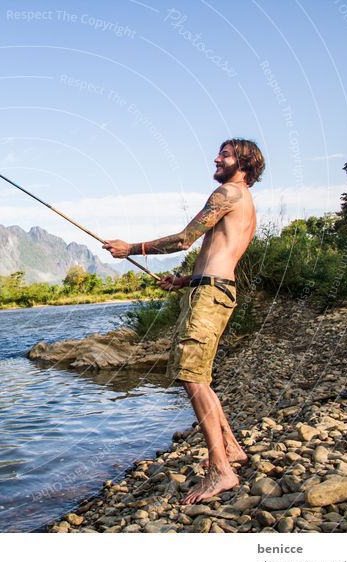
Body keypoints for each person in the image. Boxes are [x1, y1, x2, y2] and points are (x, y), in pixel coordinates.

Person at [103, 138, 265, 505]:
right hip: (210, 288)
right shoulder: (244, 202)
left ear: (243, 162)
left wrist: (131, 249)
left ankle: (221, 470)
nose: (216, 158)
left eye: (224, 154)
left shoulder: (228, 192)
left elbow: (184, 240)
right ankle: (232, 448)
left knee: (192, 375)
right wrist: (182, 281)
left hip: (210, 295)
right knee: (200, 375)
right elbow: (217, 255)